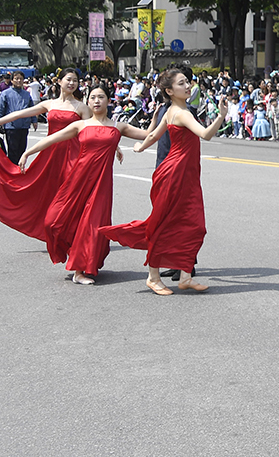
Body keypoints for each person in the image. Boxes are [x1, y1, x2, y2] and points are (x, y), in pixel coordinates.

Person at [101, 68, 228, 295]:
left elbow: (153, 135)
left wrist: (140, 147)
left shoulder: (172, 110)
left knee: (192, 224)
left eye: (187, 82)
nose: (188, 86)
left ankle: (186, 276)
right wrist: (220, 116)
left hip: (183, 173)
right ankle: (153, 276)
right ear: (169, 91)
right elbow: (206, 135)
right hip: (176, 174)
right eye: (182, 83)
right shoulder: (182, 113)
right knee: (165, 223)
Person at [27, 85, 150, 283]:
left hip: (101, 184)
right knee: (52, 220)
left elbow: (149, 135)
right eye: (92, 97)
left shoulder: (118, 127)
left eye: (101, 97)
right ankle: (69, 250)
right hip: (77, 180)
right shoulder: (81, 125)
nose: (96, 101)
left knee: (91, 224)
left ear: (109, 101)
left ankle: (80, 269)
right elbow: (51, 139)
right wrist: (27, 153)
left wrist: (163, 118)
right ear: (88, 101)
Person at [0, 68, 87, 241]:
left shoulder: (82, 107)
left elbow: (94, 129)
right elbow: (20, 113)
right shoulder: (50, 104)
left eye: (75, 80)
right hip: (50, 153)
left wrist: (115, 147)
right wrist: (1, 120)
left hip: (73, 155)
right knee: (44, 190)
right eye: (68, 79)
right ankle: (53, 230)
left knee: (70, 194)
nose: (72, 83)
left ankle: (73, 233)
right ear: (59, 81)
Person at [0, 72, 37, 164]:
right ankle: (12, 172)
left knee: (22, 150)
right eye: (16, 78)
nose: (19, 80)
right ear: (12, 80)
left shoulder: (26, 94)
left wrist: (34, 121)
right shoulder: (5, 94)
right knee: (13, 151)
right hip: (11, 126)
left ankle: (19, 170)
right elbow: (1, 109)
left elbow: (31, 108)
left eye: (21, 78)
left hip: (24, 125)